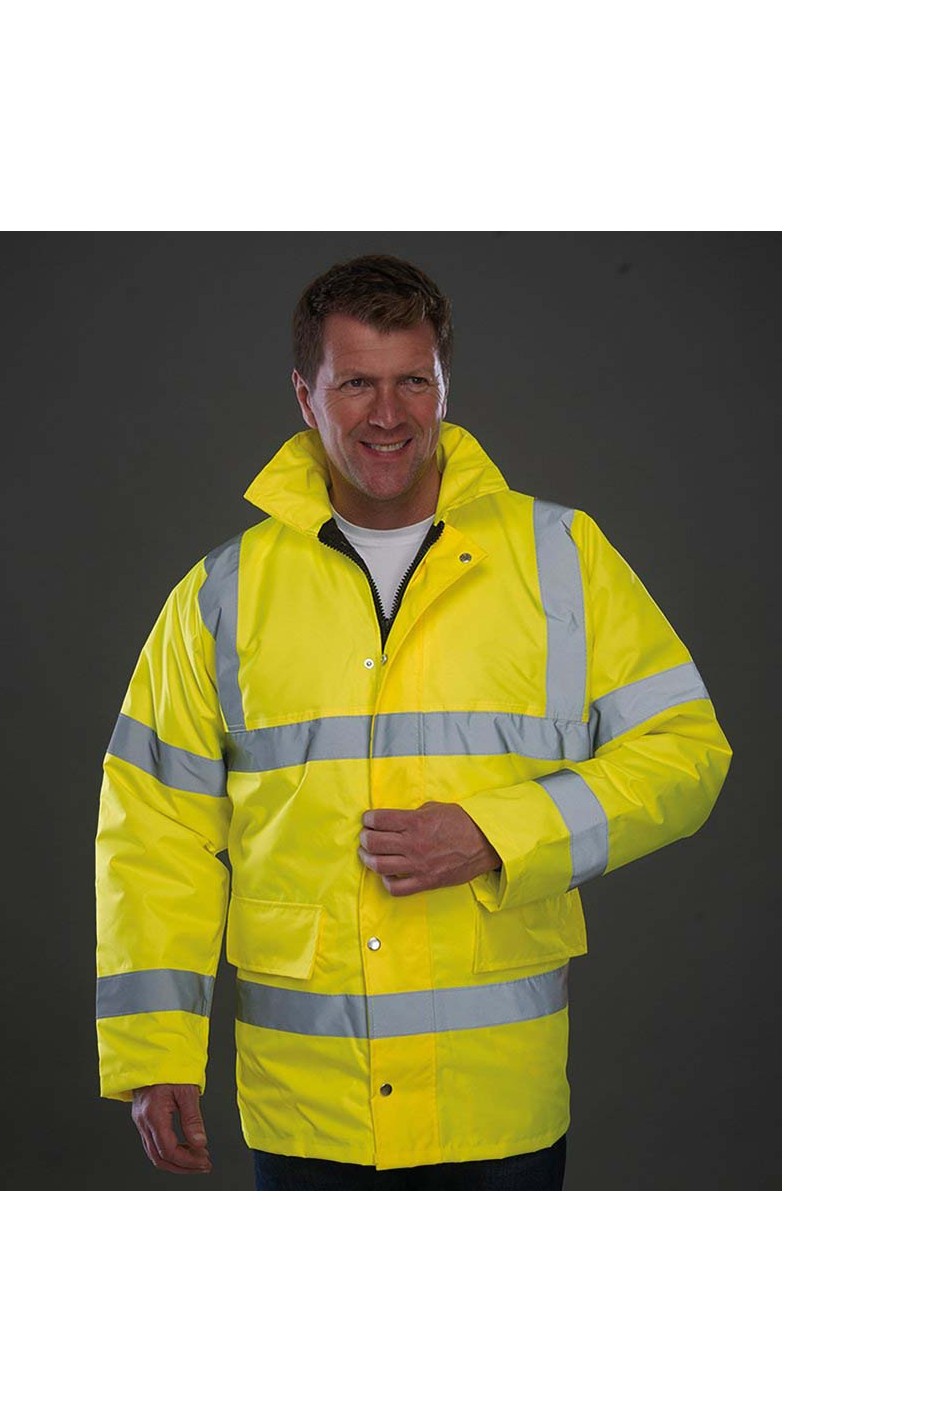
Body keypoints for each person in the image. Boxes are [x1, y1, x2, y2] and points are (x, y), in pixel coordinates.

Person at [95, 254, 732, 1190]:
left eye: (413, 382)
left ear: (445, 386)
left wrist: (499, 833)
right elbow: (155, 830)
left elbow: (687, 754)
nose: (388, 414)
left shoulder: (563, 558)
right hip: (309, 1108)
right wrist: (154, 1052)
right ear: (305, 397)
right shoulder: (221, 595)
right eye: (355, 383)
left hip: (494, 1102)